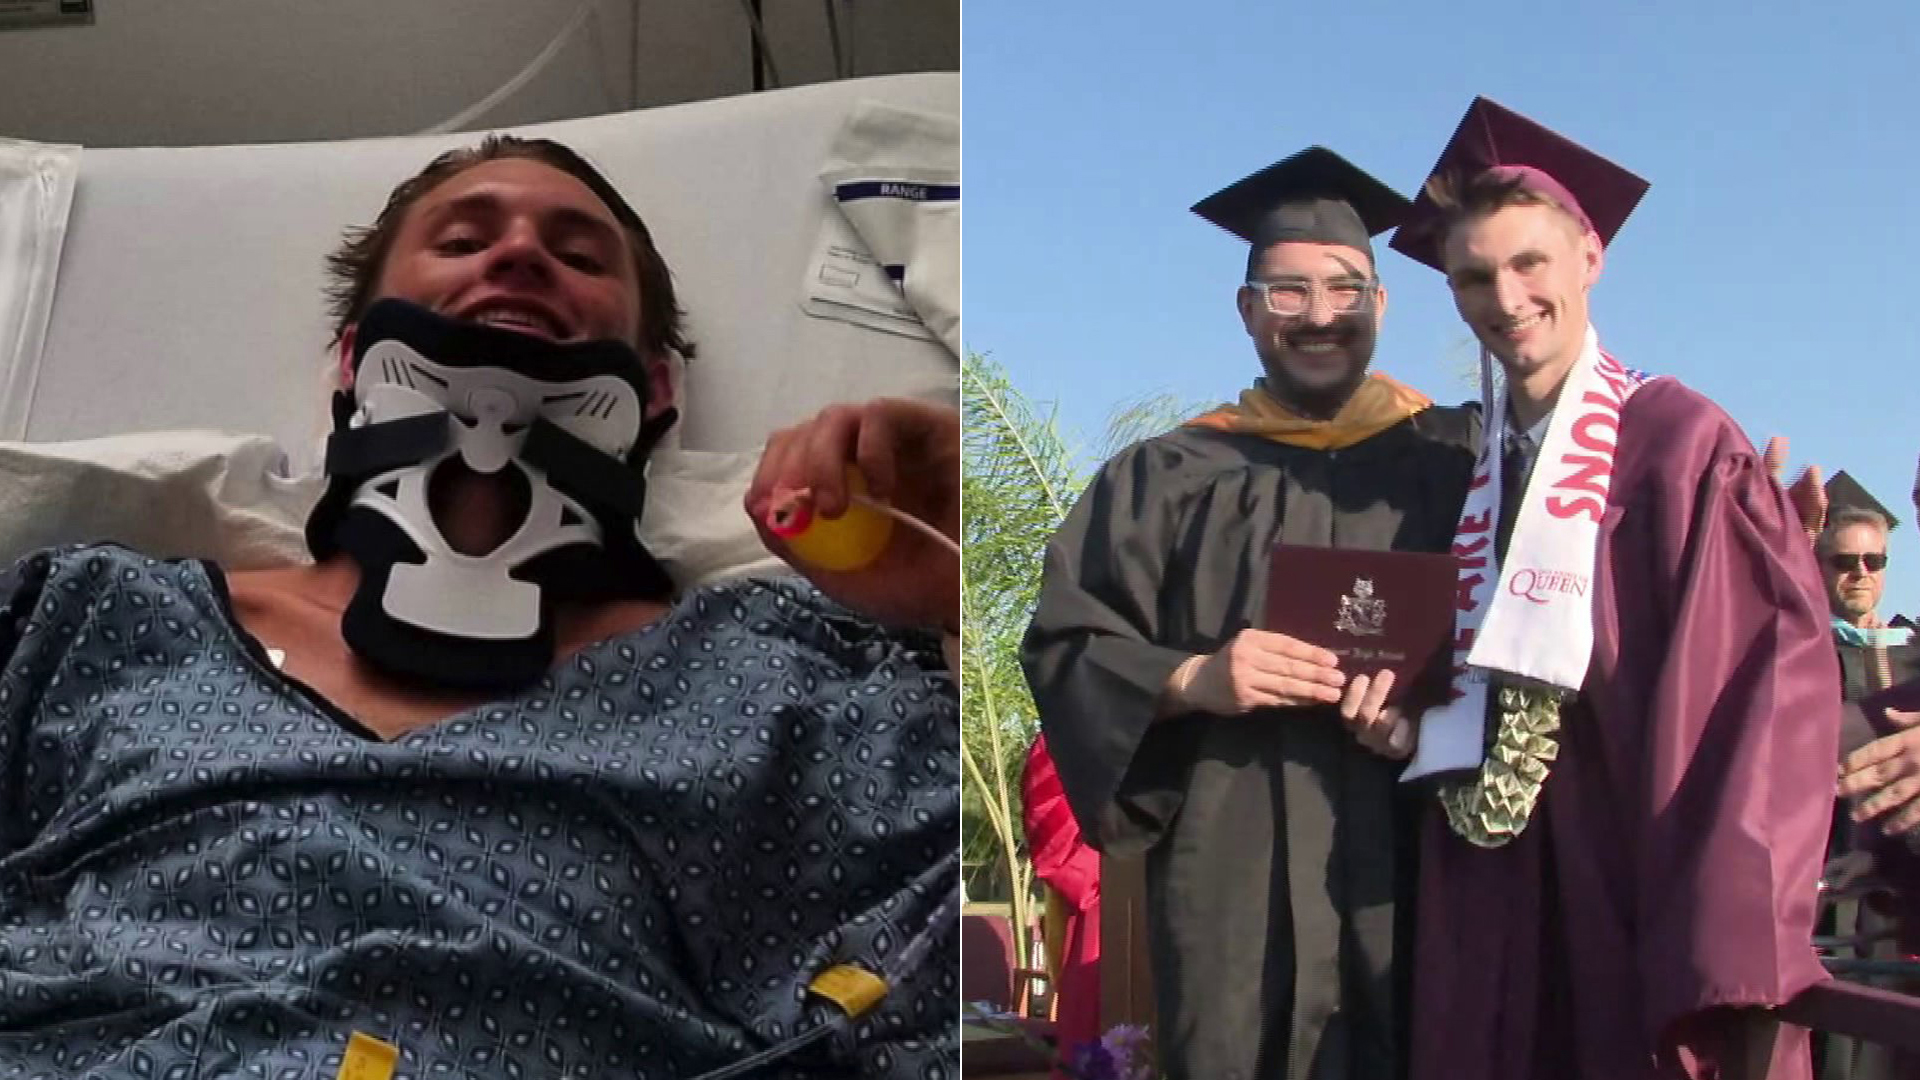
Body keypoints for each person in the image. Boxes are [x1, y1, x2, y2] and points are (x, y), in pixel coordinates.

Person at [0, 136, 959, 1078]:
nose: (518, 254)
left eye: (578, 255)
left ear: (657, 387)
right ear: (351, 360)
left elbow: (998, 967)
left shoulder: (766, 679)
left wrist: (976, 575)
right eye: (461, 242)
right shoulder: (90, 618)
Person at [1383, 97, 1839, 1080]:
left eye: (1528, 264)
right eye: (1473, 276)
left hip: (1632, 889)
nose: (1504, 298)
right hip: (1491, 893)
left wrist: (1729, 948)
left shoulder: (1680, 444)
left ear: (1590, 258)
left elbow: (1755, 713)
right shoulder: (1470, 470)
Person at [1022, 146, 1479, 1080]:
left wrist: (1430, 721)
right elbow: (1067, 639)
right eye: (1287, 292)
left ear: (1382, 304)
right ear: (1246, 310)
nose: (1319, 317)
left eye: (1346, 290)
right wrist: (1193, 677)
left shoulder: (1464, 459)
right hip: (1234, 878)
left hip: (1419, 858)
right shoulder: (1165, 478)